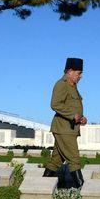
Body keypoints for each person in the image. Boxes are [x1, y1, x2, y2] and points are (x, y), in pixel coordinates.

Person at [43, 57, 88, 188]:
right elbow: (55, 104)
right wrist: (73, 115)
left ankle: (42, 186)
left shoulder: (73, 86)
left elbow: (72, 107)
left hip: (69, 129)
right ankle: (82, 189)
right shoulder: (61, 84)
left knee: (56, 161)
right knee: (74, 159)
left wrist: (81, 118)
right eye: (79, 73)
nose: (81, 76)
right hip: (64, 129)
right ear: (69, 71)